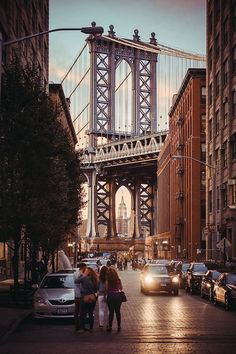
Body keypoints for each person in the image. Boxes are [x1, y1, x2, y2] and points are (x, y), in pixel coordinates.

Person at [77, 267, 98, 332]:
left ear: (88, 272)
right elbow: (96, 289)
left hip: (85, 296)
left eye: (85, 271)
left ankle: (82, 328)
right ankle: (91, 328)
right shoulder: (95, 279)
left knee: (83, 312)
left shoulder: (84, 278)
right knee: (91, 313)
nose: (84, 272)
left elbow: (76, 281)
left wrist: (82, 275)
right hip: (92, 297)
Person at [106, 267, 123, 332]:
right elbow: (121, 288)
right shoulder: (118, 279)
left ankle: (110, 326)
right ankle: (119, 326)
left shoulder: (108, 280)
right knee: (118, 311)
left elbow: (106, 289)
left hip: (110, 296)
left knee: (111, 312)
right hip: (118, 296)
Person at [74, 262, 87, 332]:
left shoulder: (83, 274)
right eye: (85, 267)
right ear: (82, 267)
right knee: (79, 312)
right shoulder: (77, 274)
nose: (86, 269)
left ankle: (80, 326)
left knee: (80, 312)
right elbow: (77, 282)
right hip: (79, 295)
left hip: (80, 295)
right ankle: (79, 327)